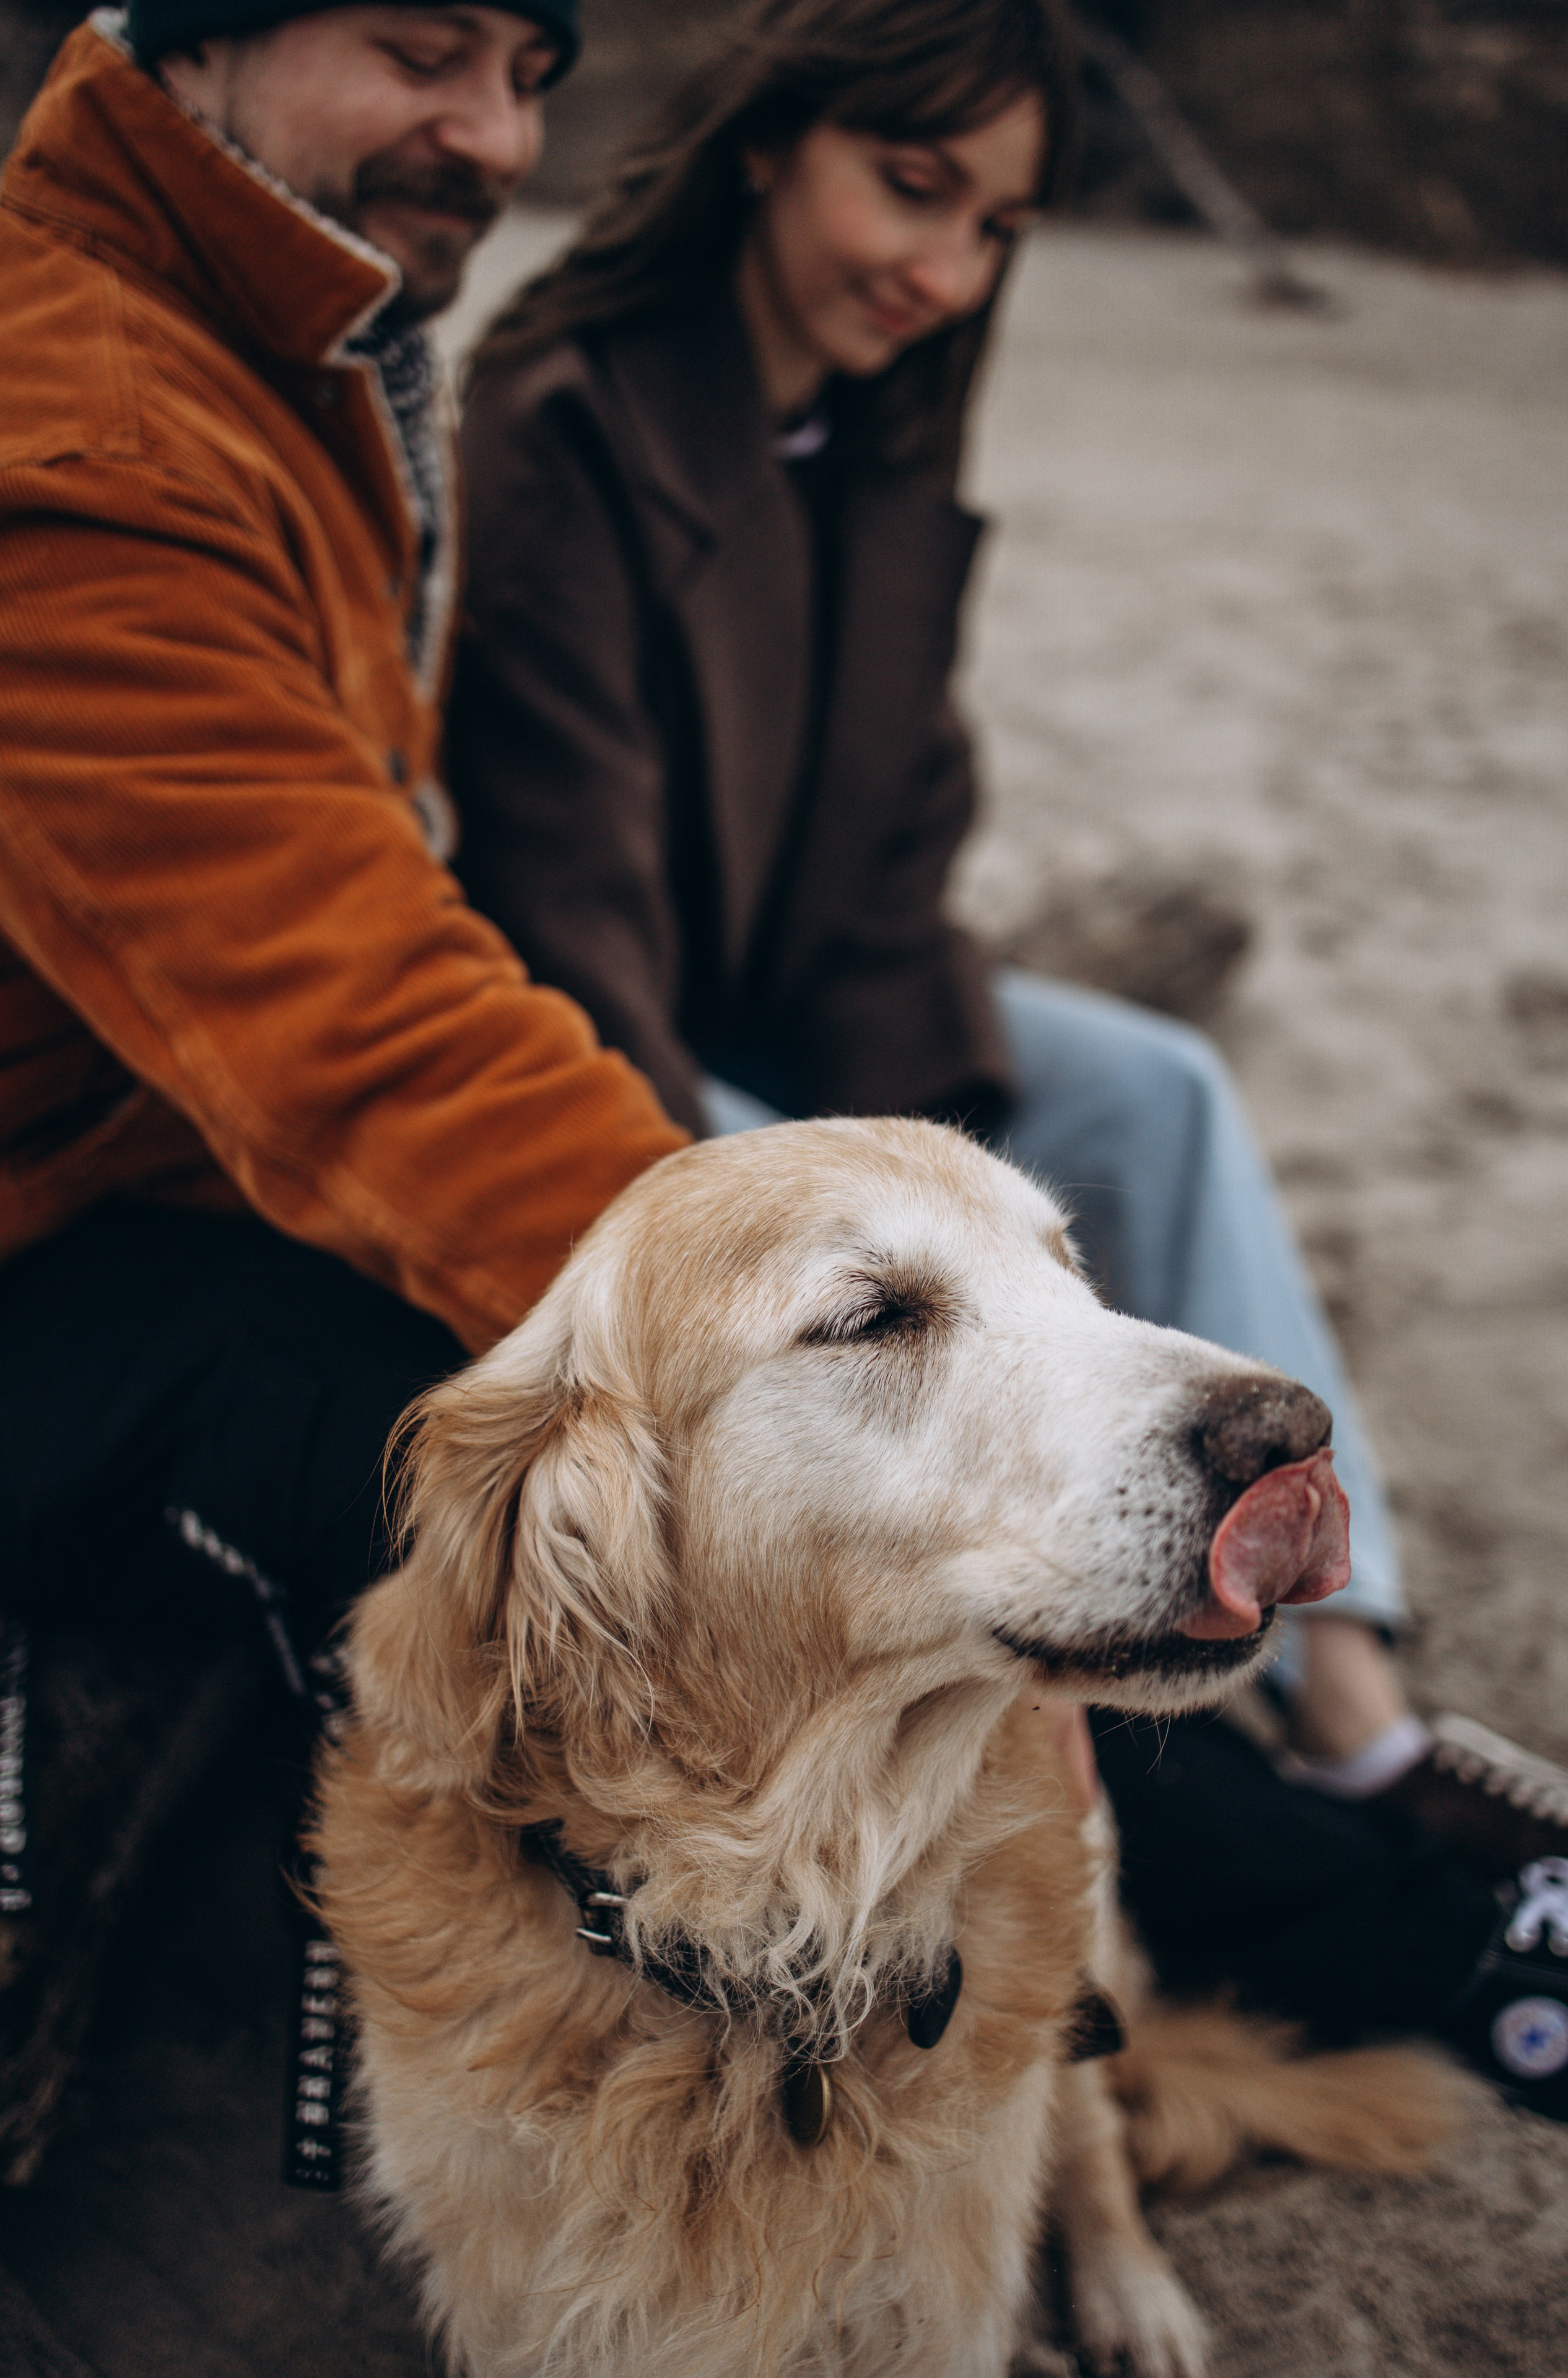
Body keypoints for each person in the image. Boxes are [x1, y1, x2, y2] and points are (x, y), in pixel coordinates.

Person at [447, 0, 1568, 2099]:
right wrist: (888, 1192)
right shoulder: (568, 413)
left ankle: (1359, 1716)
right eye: (911, 187)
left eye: (996, 225)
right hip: (631, 1048)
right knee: (882, 1243)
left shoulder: (875, 426)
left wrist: (957, 1135)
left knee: (1158, 1088)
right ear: (774, 146)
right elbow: (563, 882)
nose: (943, 268)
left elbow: (895, 837)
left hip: (822, 1005)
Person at [0, 0, 697, 2162]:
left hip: (144, 1189)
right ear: (190, 41)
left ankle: (1382, 1881)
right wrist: (799, 1315)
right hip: (40, 1252)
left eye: (529, 76)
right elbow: (365, 1022)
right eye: (419, 49)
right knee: (578, 1503)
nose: (490, 131)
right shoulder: (81, 422)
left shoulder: (276, 348)